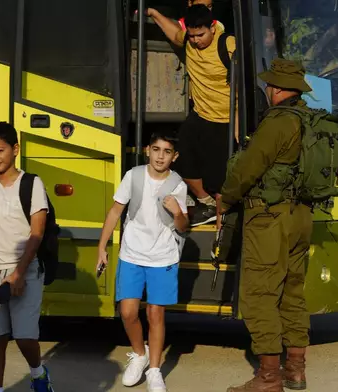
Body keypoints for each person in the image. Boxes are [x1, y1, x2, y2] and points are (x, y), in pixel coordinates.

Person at [220, 59, 314, 392]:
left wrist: (225, 198)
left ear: (275, 88)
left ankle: (269, 378)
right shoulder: (311, 120)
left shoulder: (278, 122)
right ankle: (296, 369)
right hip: (302, 215)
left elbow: (247, 168)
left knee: (260, 293)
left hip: (270, 217)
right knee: (293, 291)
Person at [96, 131, 189, 392]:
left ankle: (155, 370)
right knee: (127, 312)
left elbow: (183, 226)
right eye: (156, 150)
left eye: (167, 151)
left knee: (155, 313)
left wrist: (177, 211)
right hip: (132, 253)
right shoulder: (133, 175)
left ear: (174, 156)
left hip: (163, 256)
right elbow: (115, 211)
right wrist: (102, 247)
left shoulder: (178, 185)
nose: (161, 156)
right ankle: (140, 354)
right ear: (148, 150)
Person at [0, 121, 54, 392]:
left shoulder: (32, 183)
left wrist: (18, 273)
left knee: (24, 336)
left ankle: (38, 373)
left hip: (26, 271)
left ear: (15, 149)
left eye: (0, 150)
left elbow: (37, 232)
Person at [146, 5, 236, 227]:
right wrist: (153, 13)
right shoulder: (187, 39)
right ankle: (205, 203)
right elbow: (173, 32)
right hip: (200, 115)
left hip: (224, 121)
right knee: (179, 158)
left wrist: (238, 124)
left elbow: (244, 85)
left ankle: (221, 231)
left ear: (213, 27)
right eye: (192, 35)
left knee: (219, 183)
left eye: (200, 35)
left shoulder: (228, 44)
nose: (195, 41)